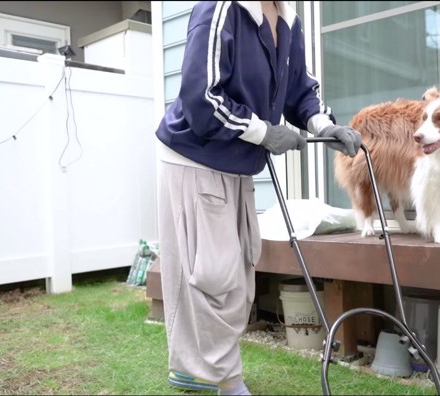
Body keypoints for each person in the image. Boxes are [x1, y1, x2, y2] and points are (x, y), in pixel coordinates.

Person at [154, 2, 362, 395]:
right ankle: (222, 379)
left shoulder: (287, 19)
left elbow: (300, 88)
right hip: (195, 156)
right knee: (213, 272)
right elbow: (201, 98)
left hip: (238, 161)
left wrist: (326, 125)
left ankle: (195, 368)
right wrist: (263, 132)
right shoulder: (220, 10)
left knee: (241, 265)